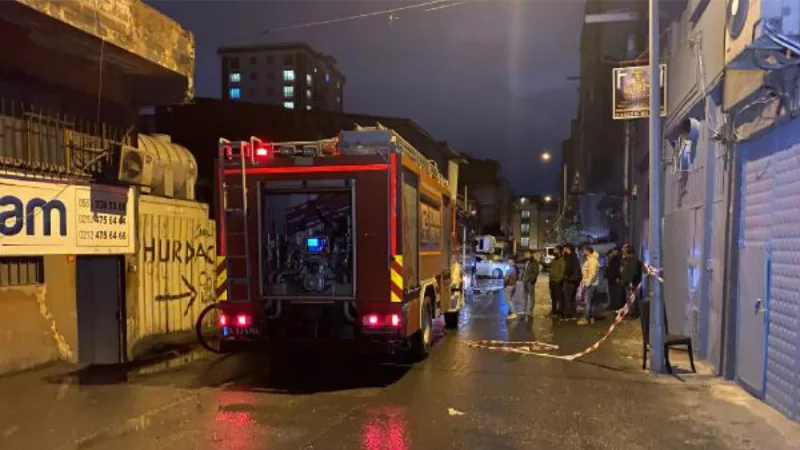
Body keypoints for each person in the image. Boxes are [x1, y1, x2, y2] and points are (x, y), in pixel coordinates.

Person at [578, 246, 600, 325]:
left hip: (590, 284)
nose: (583, 252)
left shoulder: (592, 260)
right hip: (591, 283)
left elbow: (592, 273)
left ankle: (586, 318)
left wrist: (588, 283)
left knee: (588, 302)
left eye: (584, 250)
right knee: (591, 301)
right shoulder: (591, 259)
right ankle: (591, 317)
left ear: (588, 251)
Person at [621, 244, 644, 318]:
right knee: (629, 298)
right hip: (628, 282)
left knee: (631, 298)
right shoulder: (627, 260)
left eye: (624, 250)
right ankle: (630, 312)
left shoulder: (633, 260)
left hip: (632, 283)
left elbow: (633, 271)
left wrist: (631, 281)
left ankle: (633, 313)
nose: (623, 251)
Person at [561, 244, 581, 319]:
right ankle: (572, 313)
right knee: (572, 297)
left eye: (565, 248)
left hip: (570, 280)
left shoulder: (570, 257)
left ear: (568, 249)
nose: (563, 250)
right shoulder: (574, 256)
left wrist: (565, 276)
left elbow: (568, 268)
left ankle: (568, 314)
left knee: (568, 297)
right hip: (574, 280)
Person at [548, 245, 565, 317]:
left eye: (555, 250)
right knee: (553, 297)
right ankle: (553, 311)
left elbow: (562, 272)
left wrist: (558, 280)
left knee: (559, 298)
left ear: (559, 251)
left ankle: (560, 312)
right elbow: (549, 265)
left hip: (557, 282)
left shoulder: (562, 260)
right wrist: (542, 263)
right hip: (552, 281)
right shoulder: (554, 259)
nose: (554, 251)